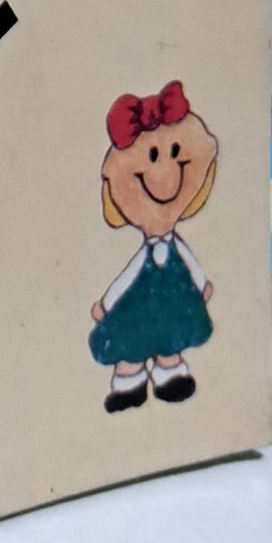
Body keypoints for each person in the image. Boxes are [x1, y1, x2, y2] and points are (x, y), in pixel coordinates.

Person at [88, 82, 219, 410]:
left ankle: (170, 376)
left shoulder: (176, 247)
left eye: (175, 154)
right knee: (130, 346)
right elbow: (128, 276)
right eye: (153, 158)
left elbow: (190, 262)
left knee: (171, 343)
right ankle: (129, 384)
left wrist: (201, 284)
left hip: (173, 308)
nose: (165, 172)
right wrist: (106, 304)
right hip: (137, 310)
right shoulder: (145, 255)